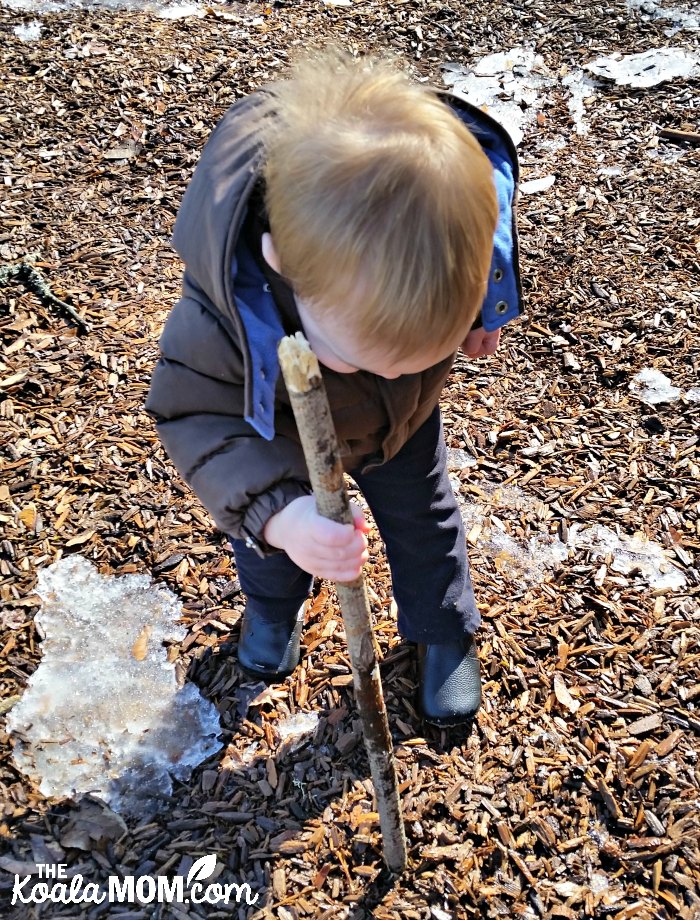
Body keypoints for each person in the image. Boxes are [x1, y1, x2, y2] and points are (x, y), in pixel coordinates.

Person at [146, 49, 522, 726]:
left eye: (423, 353)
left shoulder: (436, 234)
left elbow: (486, 254)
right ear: (288, 269)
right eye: (371, 354)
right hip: (279, 437)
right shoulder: (226, 317)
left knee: (424, 520)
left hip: (403, 427)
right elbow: (192, 412)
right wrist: (281, 516)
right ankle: (270, 612)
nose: (399, 367)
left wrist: (480, 313)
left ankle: (442, 627)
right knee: (278, 542)